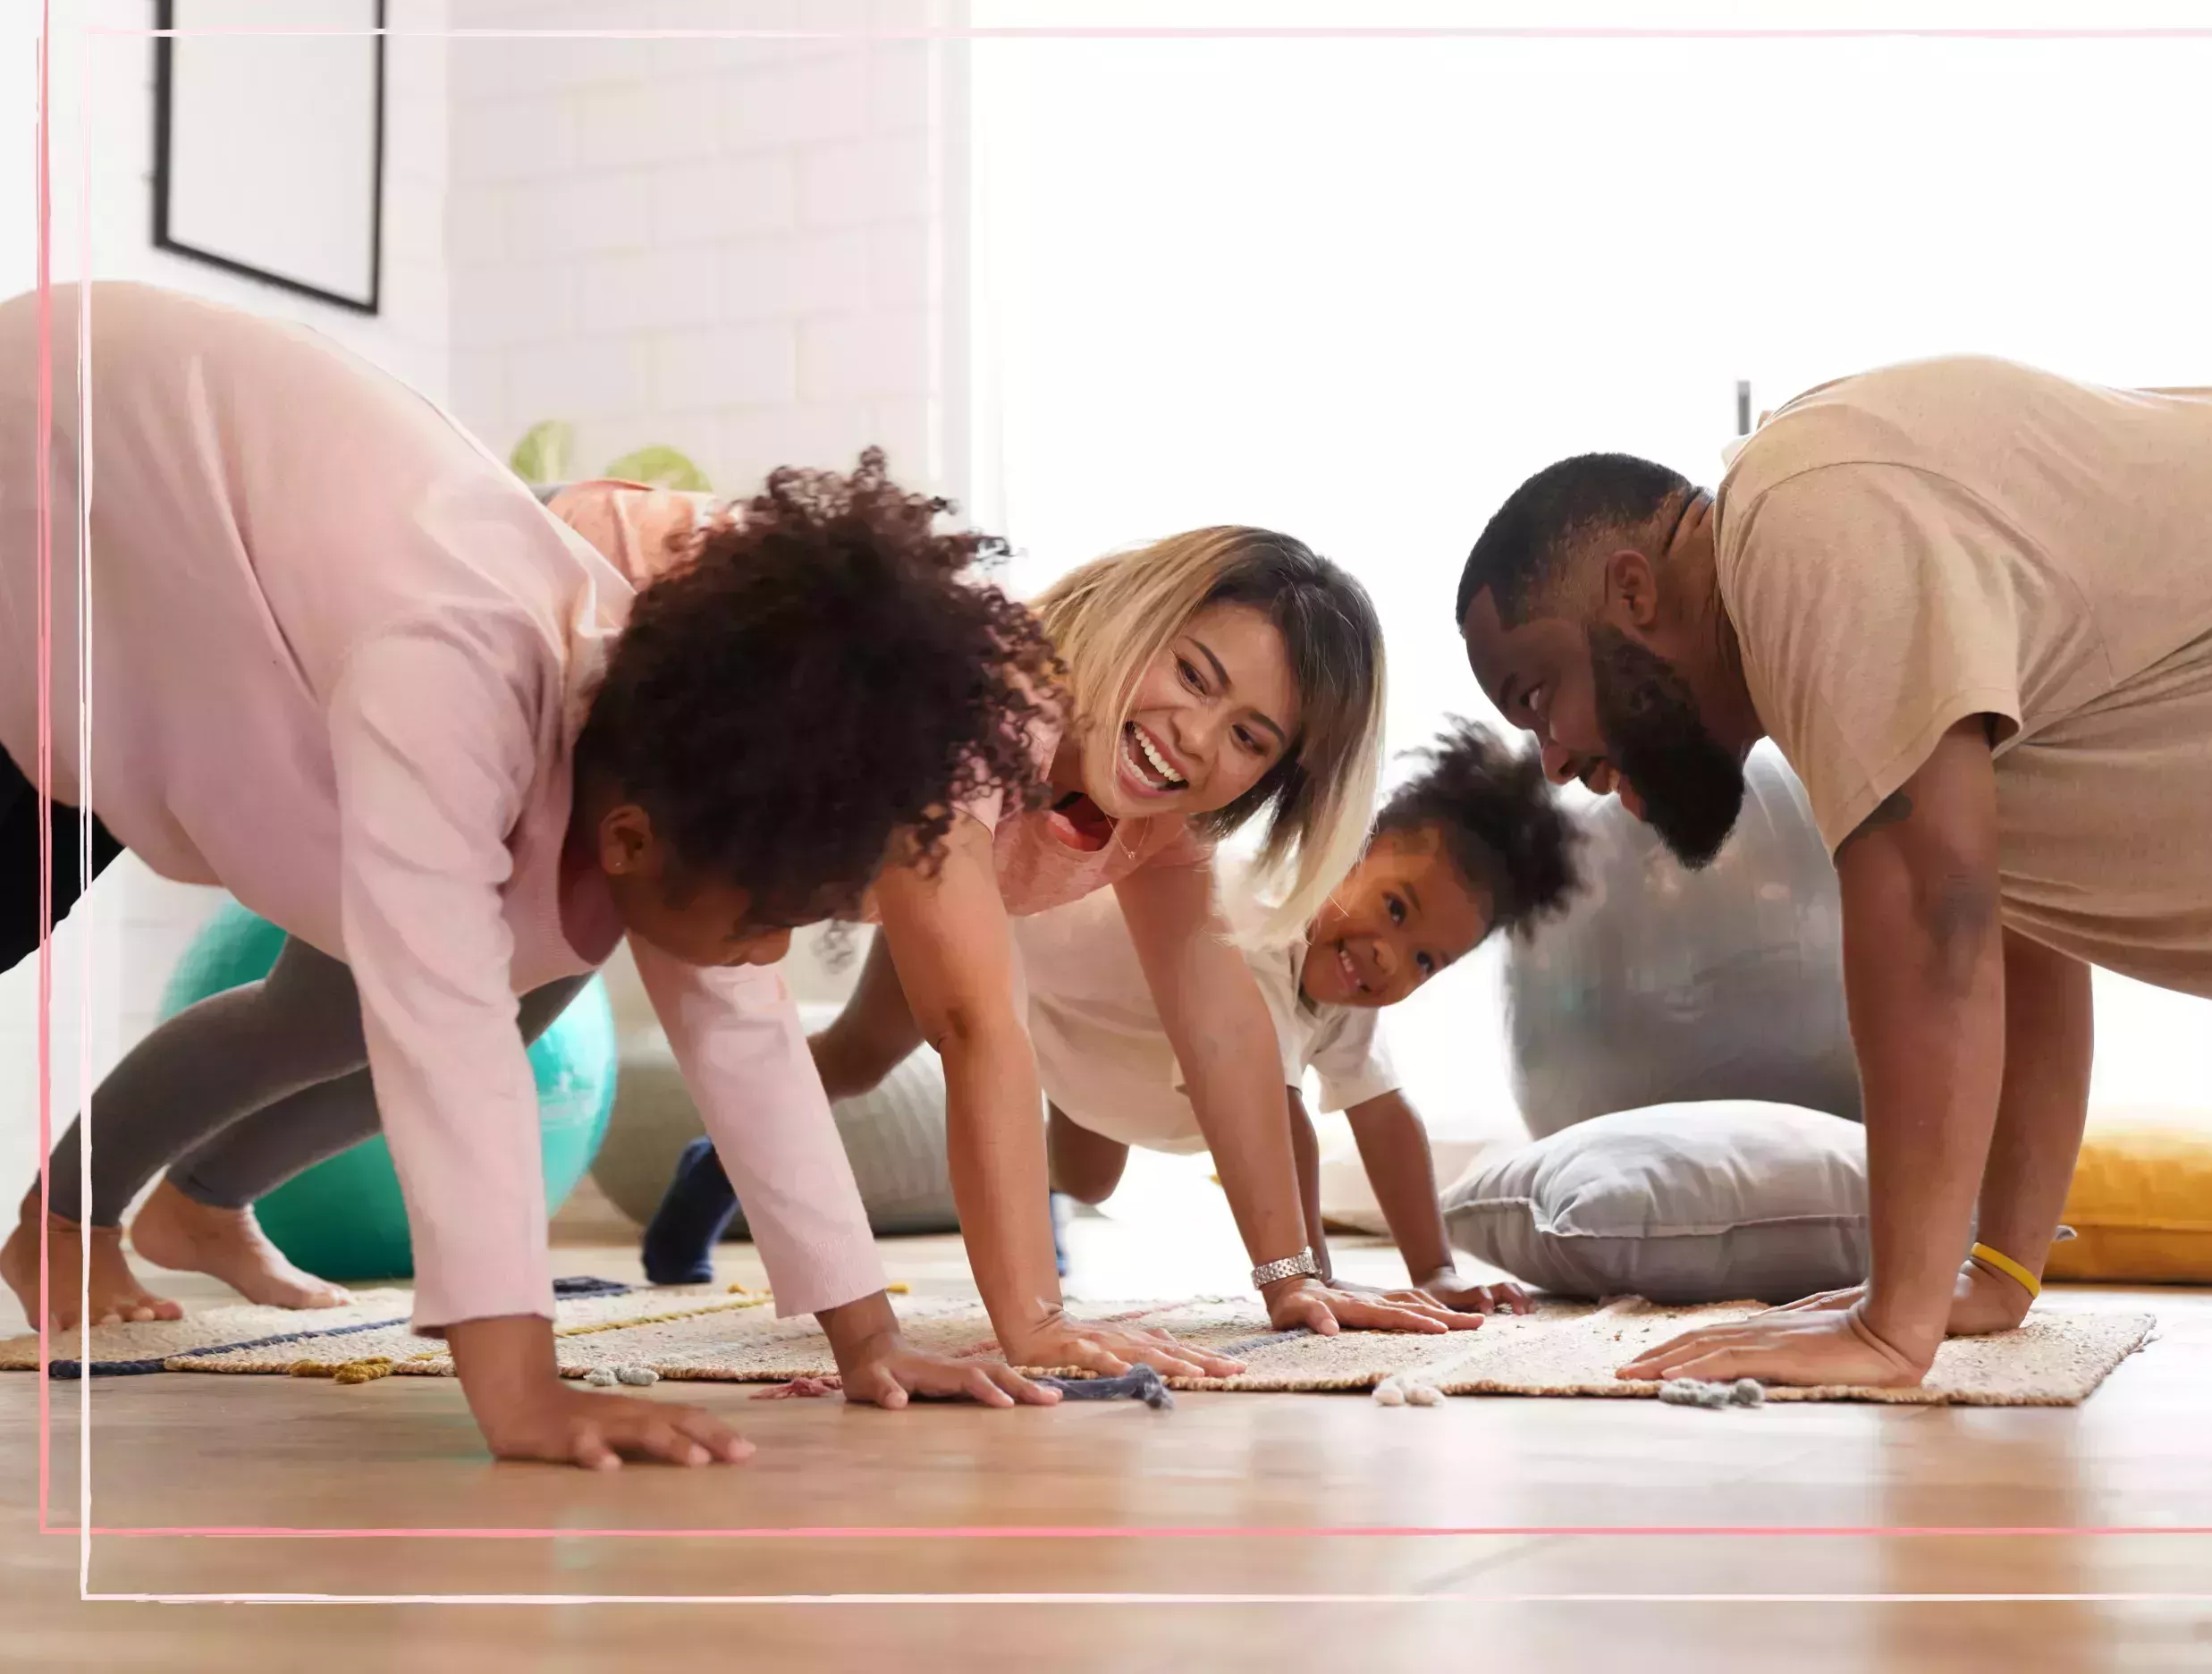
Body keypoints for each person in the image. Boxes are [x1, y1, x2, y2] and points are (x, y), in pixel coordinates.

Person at [1452, 353, 2212, 1391]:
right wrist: (1994, 1276)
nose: (1553, 760)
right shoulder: (1850, 568)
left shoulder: (1802, 520)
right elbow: (2024, 931)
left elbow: (1935, 928)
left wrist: (1892, 1325)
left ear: (1631, 591)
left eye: (1537, 694)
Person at [0, 283, 1064, 1471]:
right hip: (50, 430)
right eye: (777, 921)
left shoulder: (666, 751)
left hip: (151, 510)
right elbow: (443, 1024)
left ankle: (77, 1216)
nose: (769, 957)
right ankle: (64, 1217)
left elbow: (748, 1050)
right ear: (627, 841)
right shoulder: (453, 665)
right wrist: (522, 1392)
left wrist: (869, 1337)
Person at [612, 489, 1485, 1380]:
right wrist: (1033, 1321)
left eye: (1249, 737)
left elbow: (1222, 1030)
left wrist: (1292, 1276)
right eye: (1192, 674)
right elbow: (974, 1025)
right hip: (614, 599)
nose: (1193, 735)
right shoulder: (988, 709)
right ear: (1139, 615)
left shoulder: (1159, 820)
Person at [1020, 720, 1580, 1310]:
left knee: (1089, 1179)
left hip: (1107, 1045)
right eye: (1394, 907)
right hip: (1036, 968)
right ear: (1348, 849)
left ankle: (1063, 1080)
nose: (1389, 956)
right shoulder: (1259, 910)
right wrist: (1311, 1277)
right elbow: (1276, 1116)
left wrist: (1436, 1271)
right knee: (1194, 1121)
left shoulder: (1351, 977)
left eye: (1425, 960)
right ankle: (1044, 1077)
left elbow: (1383, 1115)